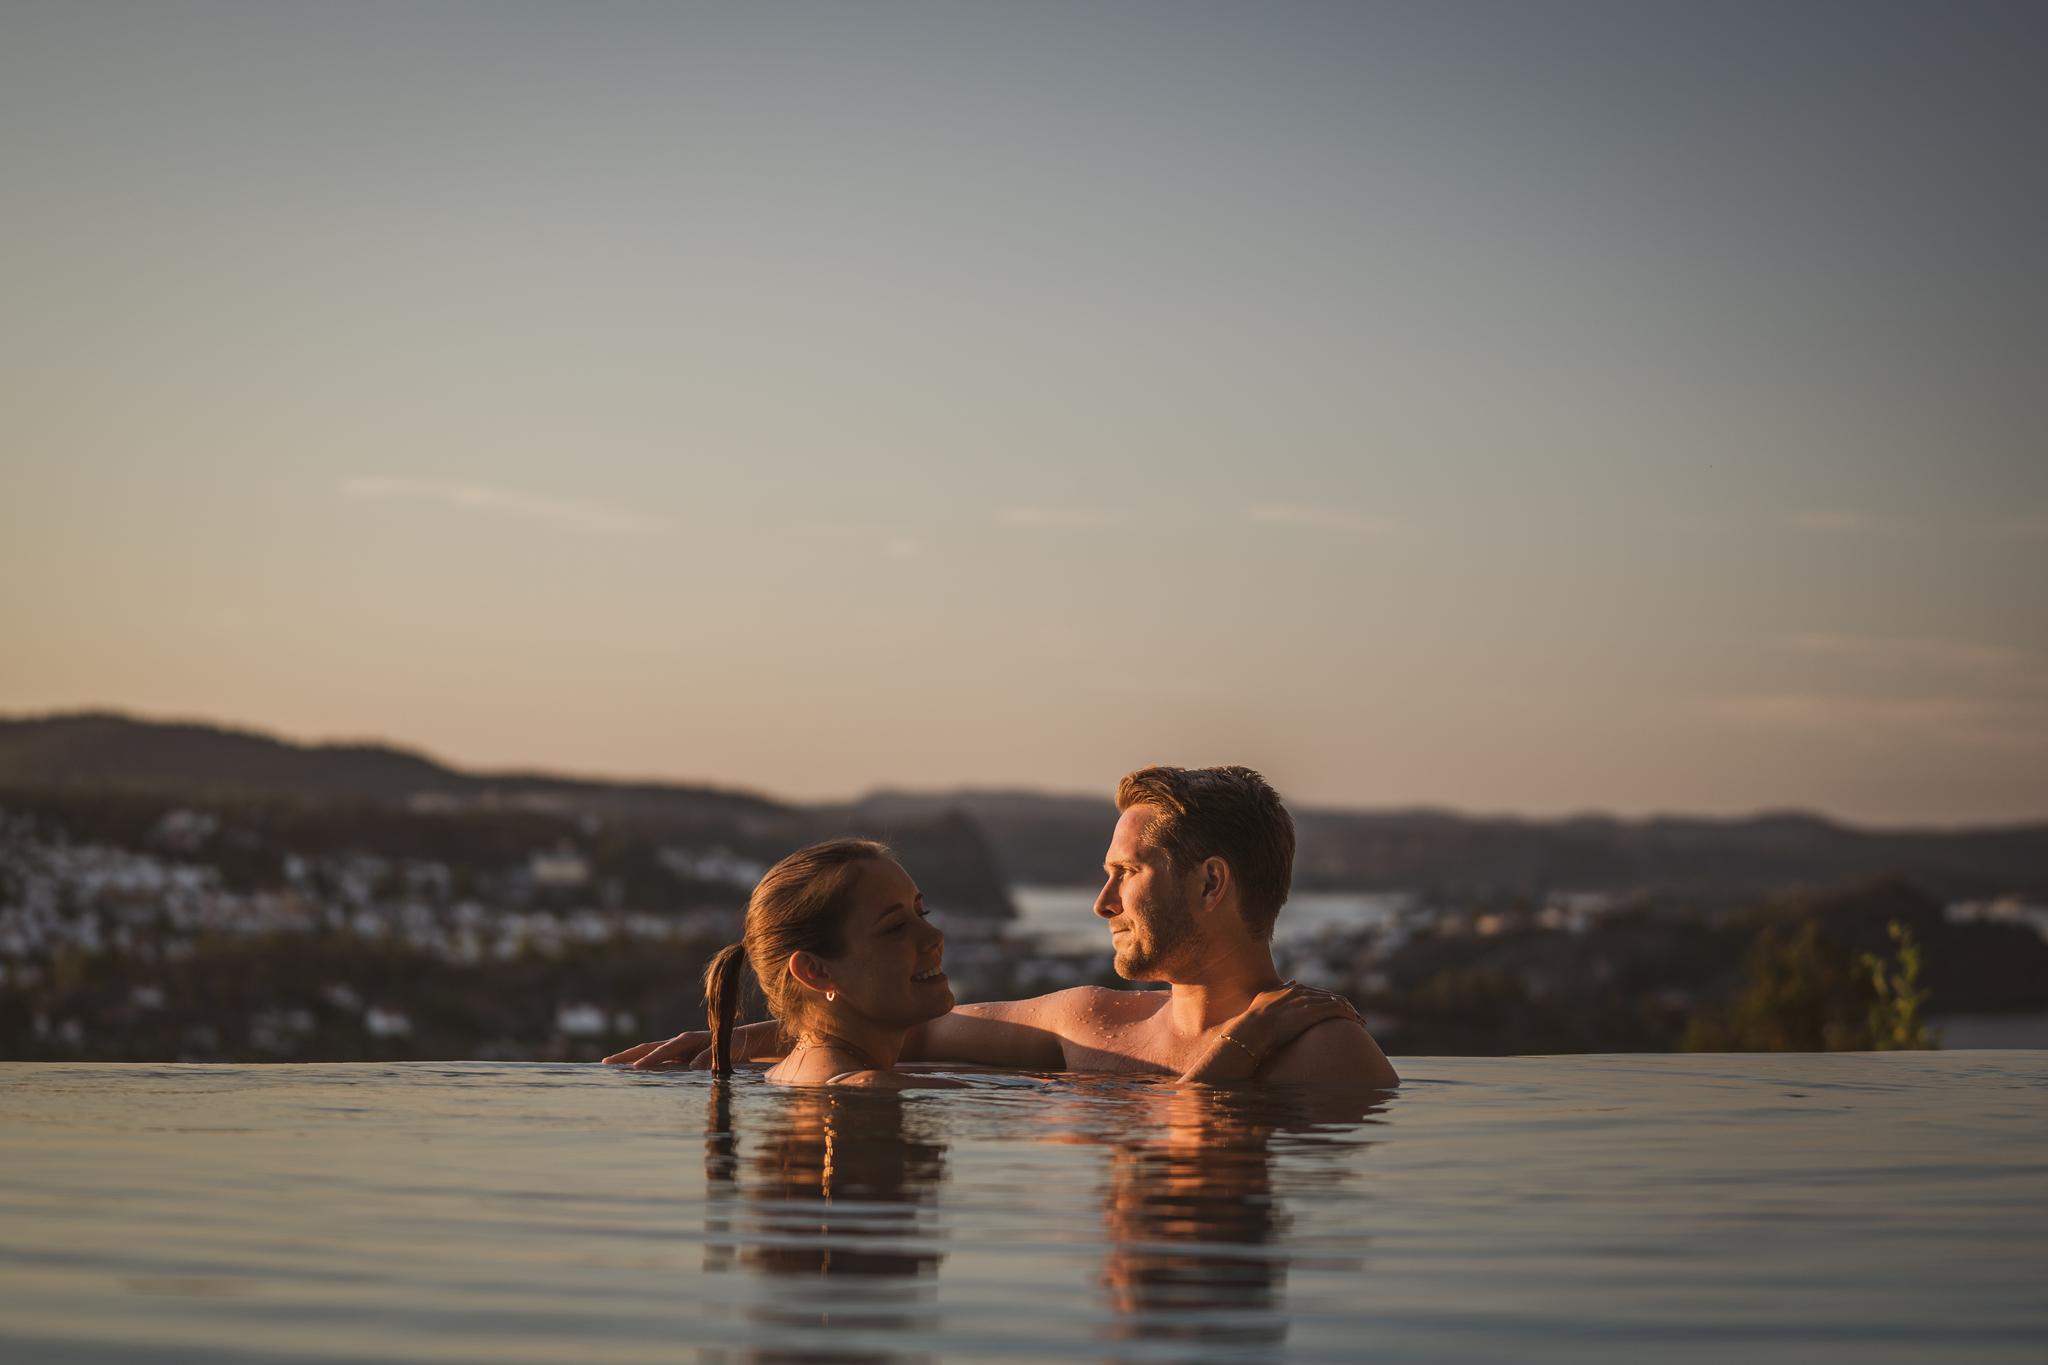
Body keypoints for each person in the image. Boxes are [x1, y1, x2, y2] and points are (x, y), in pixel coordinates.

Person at [608, 766, 1398, 1088]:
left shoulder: (1324, 1050)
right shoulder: (1090, 1023)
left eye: (1124, 874)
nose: (1102, 902)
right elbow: (893, 1029)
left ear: (1212, 882)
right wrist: (727, 1042)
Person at [660, 830, 1351, 1087]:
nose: (933, 940)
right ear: (816, 972)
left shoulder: (812, 1062)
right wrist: (1248, 1039)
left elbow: (920, 1029)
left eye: (922, 913)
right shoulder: (866, 1093)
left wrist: (738, 1034)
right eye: (896, 926)